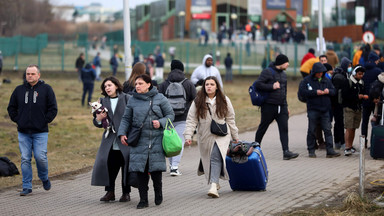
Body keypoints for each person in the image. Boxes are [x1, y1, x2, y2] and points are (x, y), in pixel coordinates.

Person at [118, 74, 174, 209]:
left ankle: (158, 193)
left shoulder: (160, 98)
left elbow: (170, 115)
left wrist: (160, 122)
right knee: (140, 172)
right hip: (139, 140)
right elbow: (126, 118)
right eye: (136, 84)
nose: (137, 86)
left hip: (156, 139)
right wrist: (122, 133)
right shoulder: (132, 100)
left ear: (149, 85)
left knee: (156, 171)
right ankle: (143, 199)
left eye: (140, 83)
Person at [184, 76, 239, 198]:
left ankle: (213, 186)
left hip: (222, 135)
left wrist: (235, 136)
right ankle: (216, 181)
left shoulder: (224, 100)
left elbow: (230, 119)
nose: (209, 86)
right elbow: (191, 120)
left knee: (215, 155)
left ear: (217, 87)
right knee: (210, 159)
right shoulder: (198, 101)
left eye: (212, 84)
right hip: (205, 135)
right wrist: (188, 135)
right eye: (207, 84)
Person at [7, 64, 58, 196]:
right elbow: (11, 108)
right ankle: (27, 186)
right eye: (28, 74)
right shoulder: (18, 90)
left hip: (40, 132)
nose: (30, 76)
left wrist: (44, 120)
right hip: (23, 132)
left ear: (38, 75)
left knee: (40, 157)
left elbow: (53, 108)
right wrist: (18, 119)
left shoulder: (46, 89)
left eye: (33, 74)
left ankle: (44, 178)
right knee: (25, 158)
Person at [91, 77, 132, 203]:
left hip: (125, 139)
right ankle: (110, 192)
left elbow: (133, 116)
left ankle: (126, 193)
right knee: (110, 166)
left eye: (109, 85)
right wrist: (99, 118)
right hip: (110, 141)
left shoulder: (126, 98)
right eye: (105, 86)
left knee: (126, 167)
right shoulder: (102, 101)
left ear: (116, 86)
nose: (107, 88)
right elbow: (96, 122)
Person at [254, 54, 299, 160]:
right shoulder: (267, 72)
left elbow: (285, 91)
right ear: (281, 63)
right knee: (263, 127)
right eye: (287, 62)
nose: (288, 64)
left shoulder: (284, 74)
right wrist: (271, 86)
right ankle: (256, 148)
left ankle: (286, 152)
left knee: (284, 128)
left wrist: (286, 106)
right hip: (269, 106)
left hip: (282, 106)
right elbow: (258, 84)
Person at [158, 60, 196, 176]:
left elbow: (159, 100)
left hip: (168, 118)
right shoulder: (188, 83)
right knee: (179, 142)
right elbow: (195, 99)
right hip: (183, 117)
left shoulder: (164, 83)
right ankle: (175, 167)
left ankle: (171, 166)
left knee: (170, 142)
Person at [299, 62, 340, 158]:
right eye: (318, 72)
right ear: (314, 72)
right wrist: (315, 92)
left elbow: (334, 91)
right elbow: (302, 92)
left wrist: (328, 91)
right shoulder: (307, 80)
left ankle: (330, 150)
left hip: (325, 109)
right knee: (311, 130)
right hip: (313, 109)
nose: (320, 74)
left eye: (322, 72)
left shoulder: (326, 80)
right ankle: (311, 150)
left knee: (327, 130)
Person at [342, 65, 368, 156]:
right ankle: (347, 147)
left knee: (353, 128)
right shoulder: (348, 82)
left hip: (358, 108)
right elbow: (344, 96)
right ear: (354, 73)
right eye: (359, 74)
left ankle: (350, 146)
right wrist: (357, 96)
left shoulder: (361, 83)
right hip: (349, 108)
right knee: (348, 127)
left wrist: (364, 96)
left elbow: (364, 92)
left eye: (362, 74)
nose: (361, 76)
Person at [331, 57, 352, 149]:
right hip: (338, 103)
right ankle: (341, 142)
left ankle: (338, 142)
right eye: (349, 65)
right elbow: (337, 92)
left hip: (339, 103)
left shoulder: (343, 74)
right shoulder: (339, 77)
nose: (350, 67)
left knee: (338, 123)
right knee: (339, 123)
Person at [361, 52, 381, 147]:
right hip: (376, 100)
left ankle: (363, 143)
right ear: (374, 60)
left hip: (365, 99)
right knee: (376, 121)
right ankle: (374, 143)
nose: (378, 62)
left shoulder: (363, 70)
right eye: (377, 60)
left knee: (364, 122)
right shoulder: (378, 71)